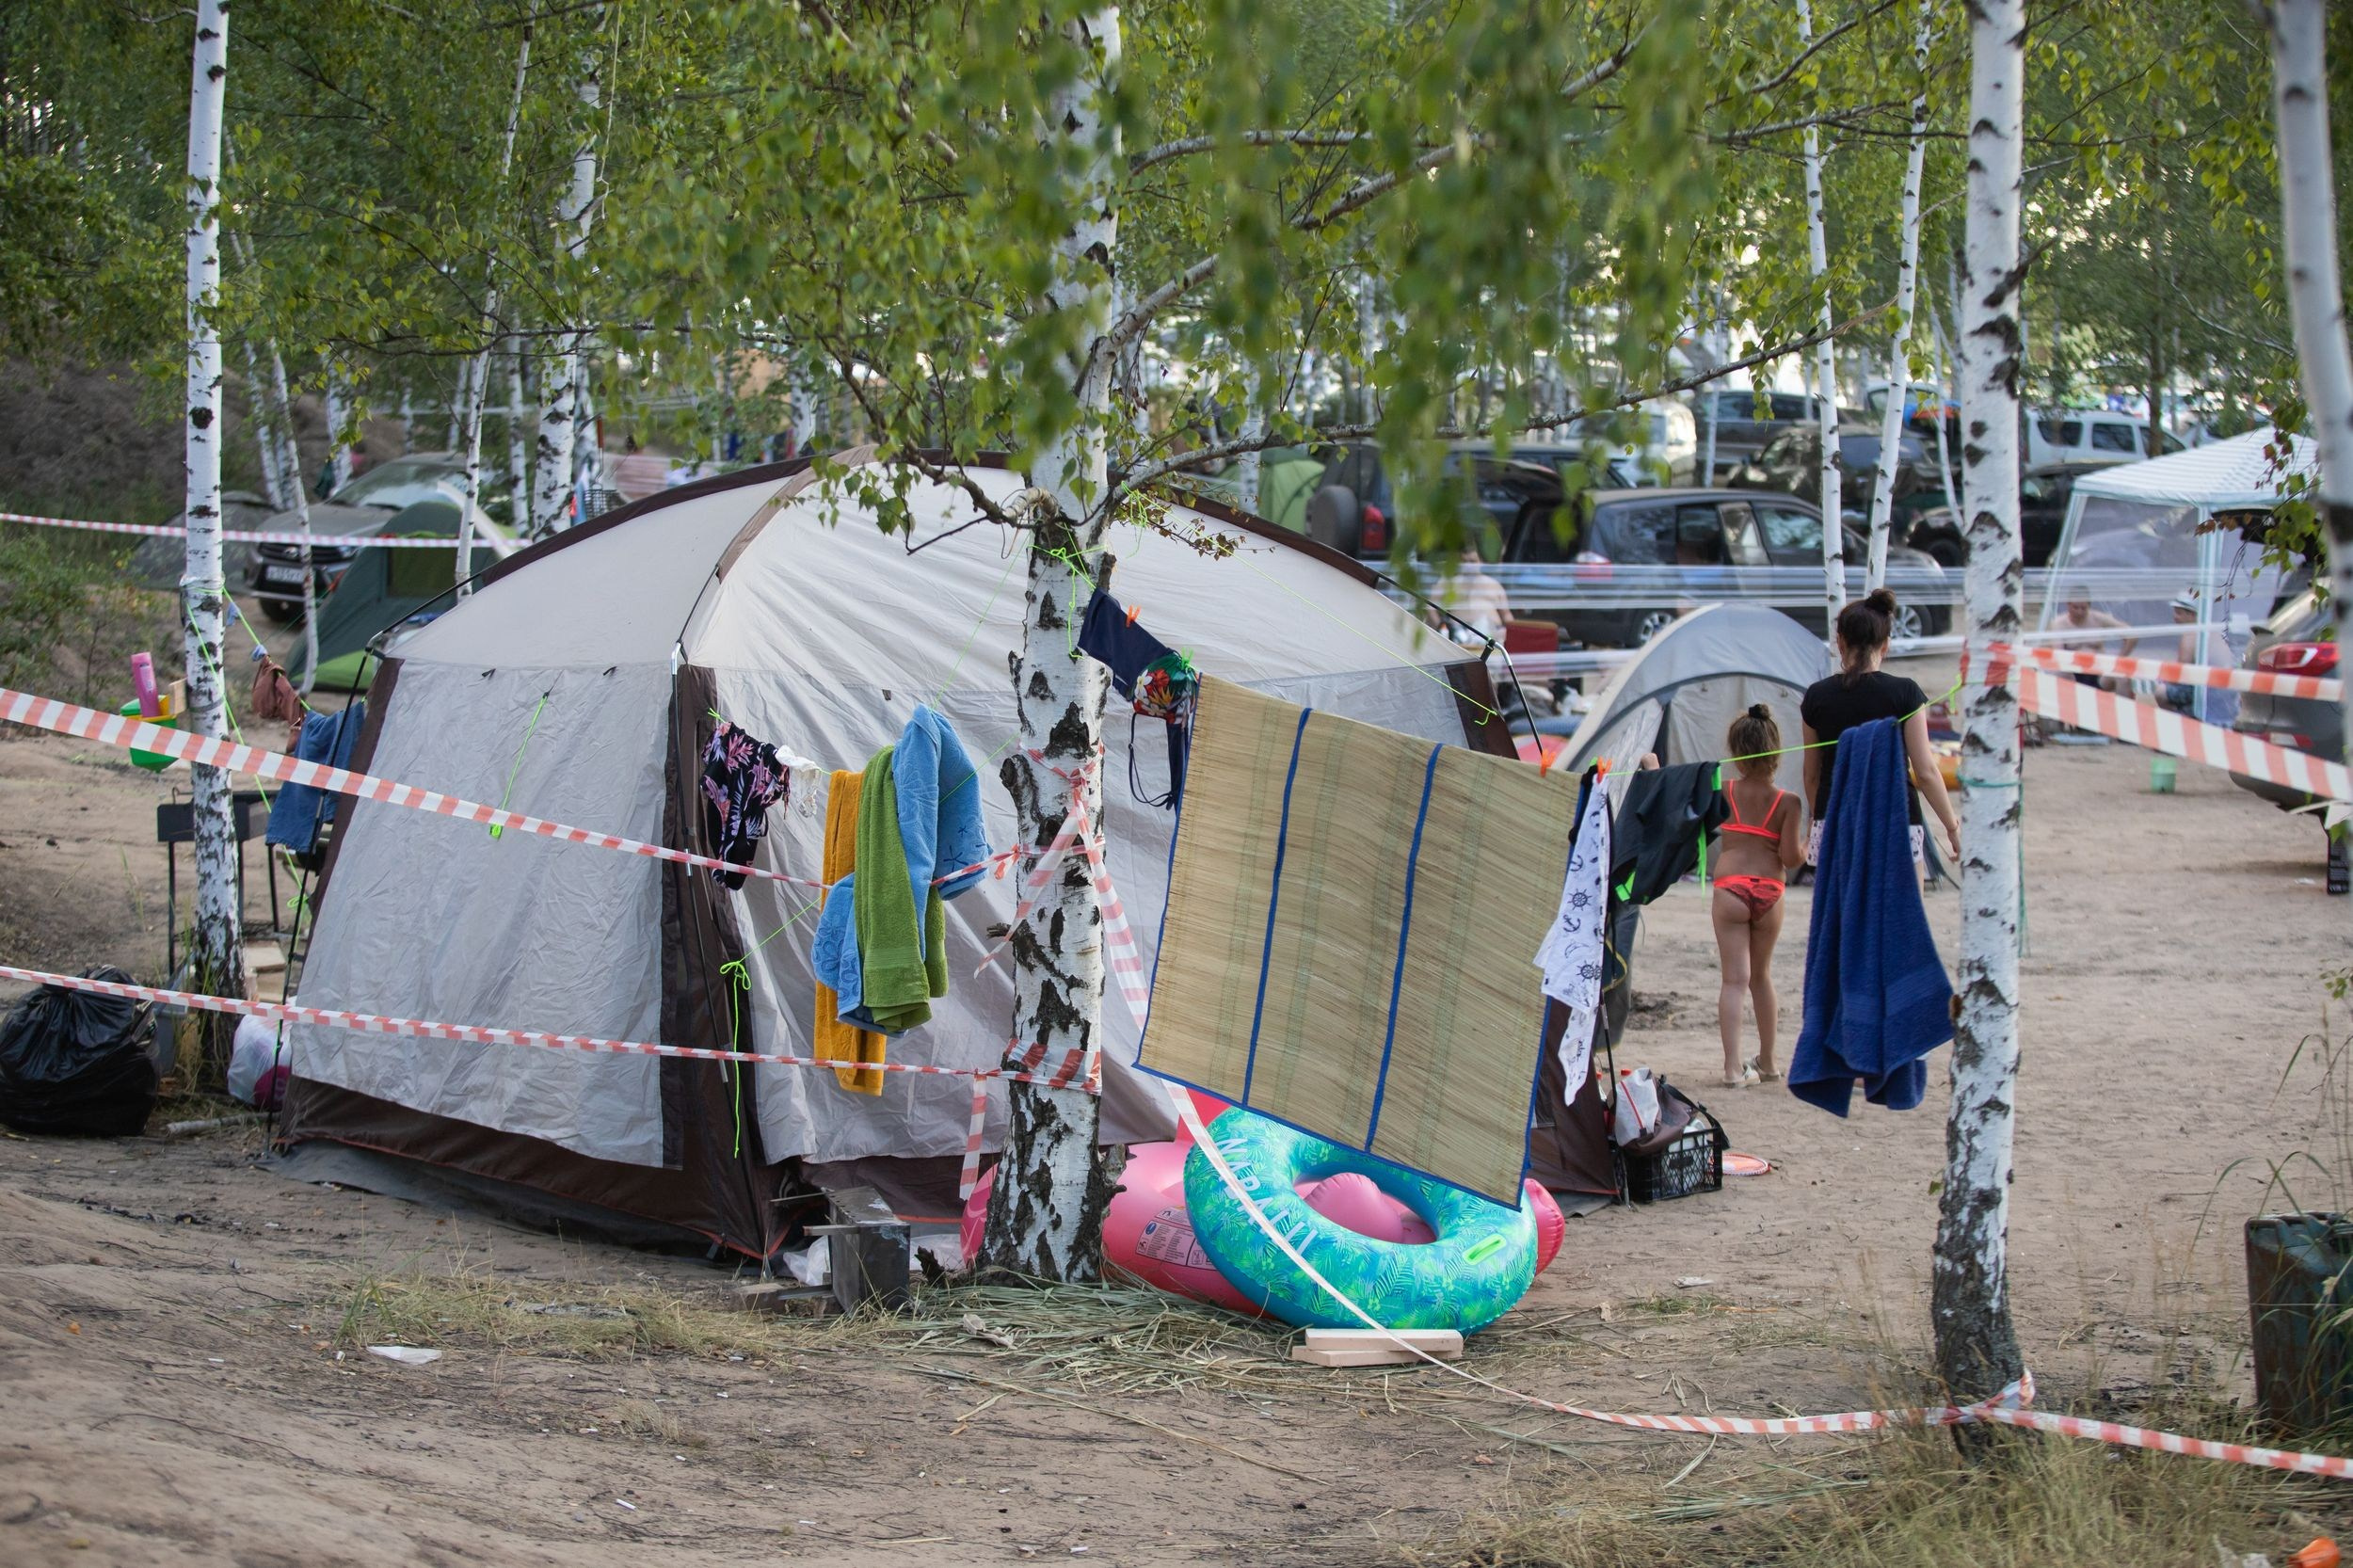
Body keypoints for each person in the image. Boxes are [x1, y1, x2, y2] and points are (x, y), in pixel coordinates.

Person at [1799, 588, 1962, 881]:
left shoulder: (1817, 696)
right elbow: (1925, 772)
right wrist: (1952, 827)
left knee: (1845, 918)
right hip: (1895, 819)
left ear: (1840, 642)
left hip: (1836, 820)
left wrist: (1819, 818)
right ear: (1885, 645)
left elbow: (1812, 775)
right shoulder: (1905, 693)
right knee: (1901, 916)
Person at [1711, 705, 1804, 1088]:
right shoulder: (1788, 802)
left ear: (1736, 752)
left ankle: (1733, 1069)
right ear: (1777, 752)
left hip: (1730, 888)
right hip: (1769, 890)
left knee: (1734, 981)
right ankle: (1767, 1062)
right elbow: (1790, 859)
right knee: (1761, 977)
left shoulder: (1723, 790)